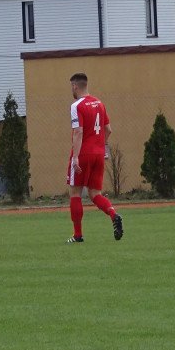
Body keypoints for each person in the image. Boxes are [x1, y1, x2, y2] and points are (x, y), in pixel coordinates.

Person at [65, 72, 123, 243]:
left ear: (75, 86)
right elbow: (109, 129)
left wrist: (75, 157)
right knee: (95, 193)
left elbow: (78, 131)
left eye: (71, 87)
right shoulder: (99, 103)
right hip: (98, 153)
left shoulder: (77, 105)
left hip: (83, 153)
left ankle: (78, 235)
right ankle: (114, 215)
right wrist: (100, 146)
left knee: (75, 192)